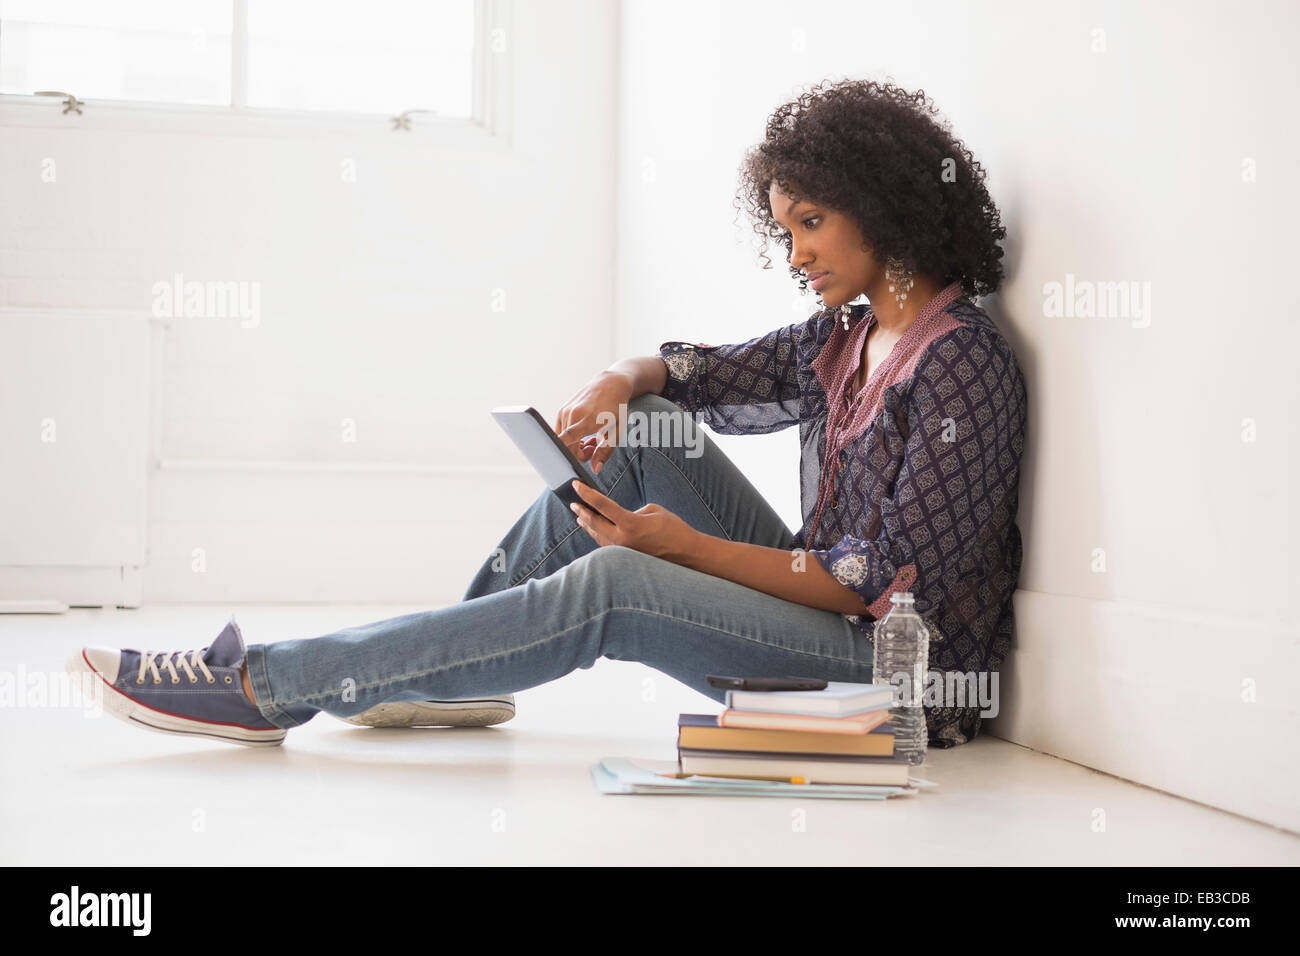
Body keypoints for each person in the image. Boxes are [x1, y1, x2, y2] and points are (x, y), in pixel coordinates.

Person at [68, 78, 1026, 750]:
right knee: (647, 438)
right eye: (785, 232)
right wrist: (619, 379)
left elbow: (871, 584)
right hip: (826, 617)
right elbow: (692, 371)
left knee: (615, 581)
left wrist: (678, 550)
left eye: (811, 223)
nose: (797, 255)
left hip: (897, 683)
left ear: (885, 206)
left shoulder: (964, 366)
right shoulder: (845, 337)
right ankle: (445, 668)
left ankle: (266, 686)